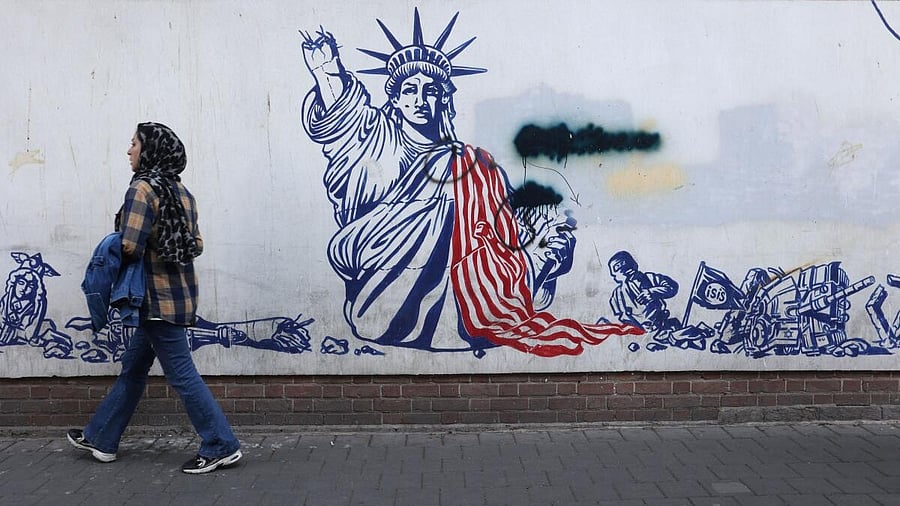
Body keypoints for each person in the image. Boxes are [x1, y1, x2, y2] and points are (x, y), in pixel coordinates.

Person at [300, 10, 641, 357]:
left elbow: (502, 221)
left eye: (431, 91)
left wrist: (542, 229)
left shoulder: (474, 163)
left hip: (466, 282)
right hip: (382, 274)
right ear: (396, 99)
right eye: (410, 90)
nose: (421, 100)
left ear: (443, 99)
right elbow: (344, 121)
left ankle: (476, 309)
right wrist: (327, 74)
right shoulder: (377, 140)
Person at [67, 122, 241, 474]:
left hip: (153, 299)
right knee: (133, 369)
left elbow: (129, 243)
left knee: (182, 375)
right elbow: (198, 244)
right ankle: (101, 437)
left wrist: (112, 250)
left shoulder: (142, 190)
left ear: (150, 151)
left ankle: (221, 444)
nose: (128, 150)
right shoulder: (182, 194)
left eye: (133, 144)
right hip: (178, 298)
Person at [607, 251, 680, 336]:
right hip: (636, 334)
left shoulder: (650, 278)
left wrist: (652, 292)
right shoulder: (617, 295)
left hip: (662, 327)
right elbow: (619, 317)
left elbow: (672, 287)